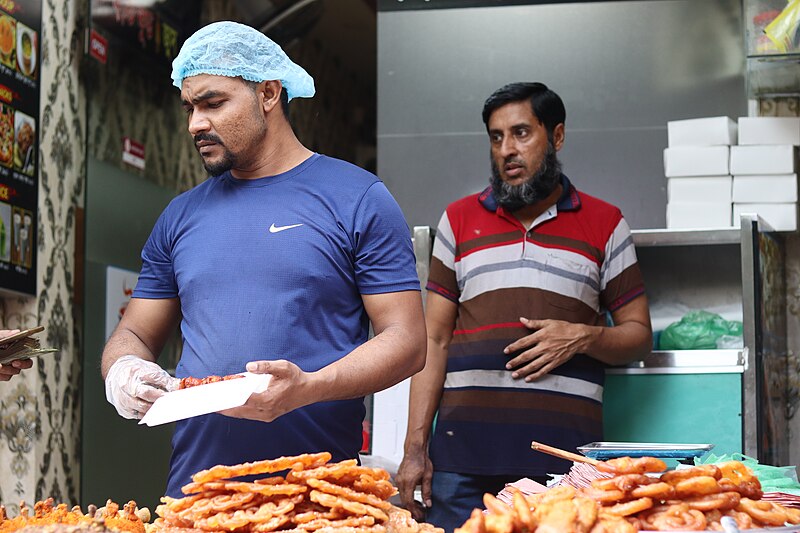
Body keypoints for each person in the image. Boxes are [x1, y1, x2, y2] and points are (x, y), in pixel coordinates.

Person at [101, 21, 426, 497]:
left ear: (269, 93)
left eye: (213, 103)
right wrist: (123, 370)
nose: (195, 123)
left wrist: (309, 387)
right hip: (196, 493)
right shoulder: (180, 216)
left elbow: (407, 339)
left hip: (318, 496)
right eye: (190, 107)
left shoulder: (357, 198)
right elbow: (133, 332)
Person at [395, 82, 652, 532]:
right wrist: (415, 448)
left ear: (556, 137)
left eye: (521, 133)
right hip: (460, 463)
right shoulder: (458, 221)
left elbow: (638, 334)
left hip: (564, 465)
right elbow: (432, 340)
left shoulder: (606, 223)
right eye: (496, 137)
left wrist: (585, 336)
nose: (507, 150)